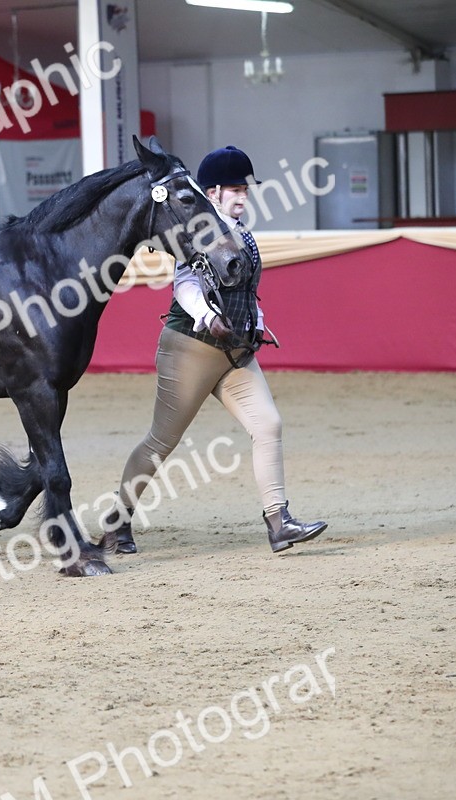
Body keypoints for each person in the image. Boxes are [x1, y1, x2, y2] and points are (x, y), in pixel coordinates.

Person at [105, 145, 327, 555]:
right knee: (161, 442)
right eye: (234, 189)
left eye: (245, 188)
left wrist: (257, 325)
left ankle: (279, 523)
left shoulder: (242, 233)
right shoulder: (200, 231)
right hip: (190, 348)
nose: (242, 196)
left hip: (234, 353)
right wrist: (209, 318)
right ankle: (117, 522)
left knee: (268, 425)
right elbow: (185, 285)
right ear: (212, 193)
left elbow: (248, 292)